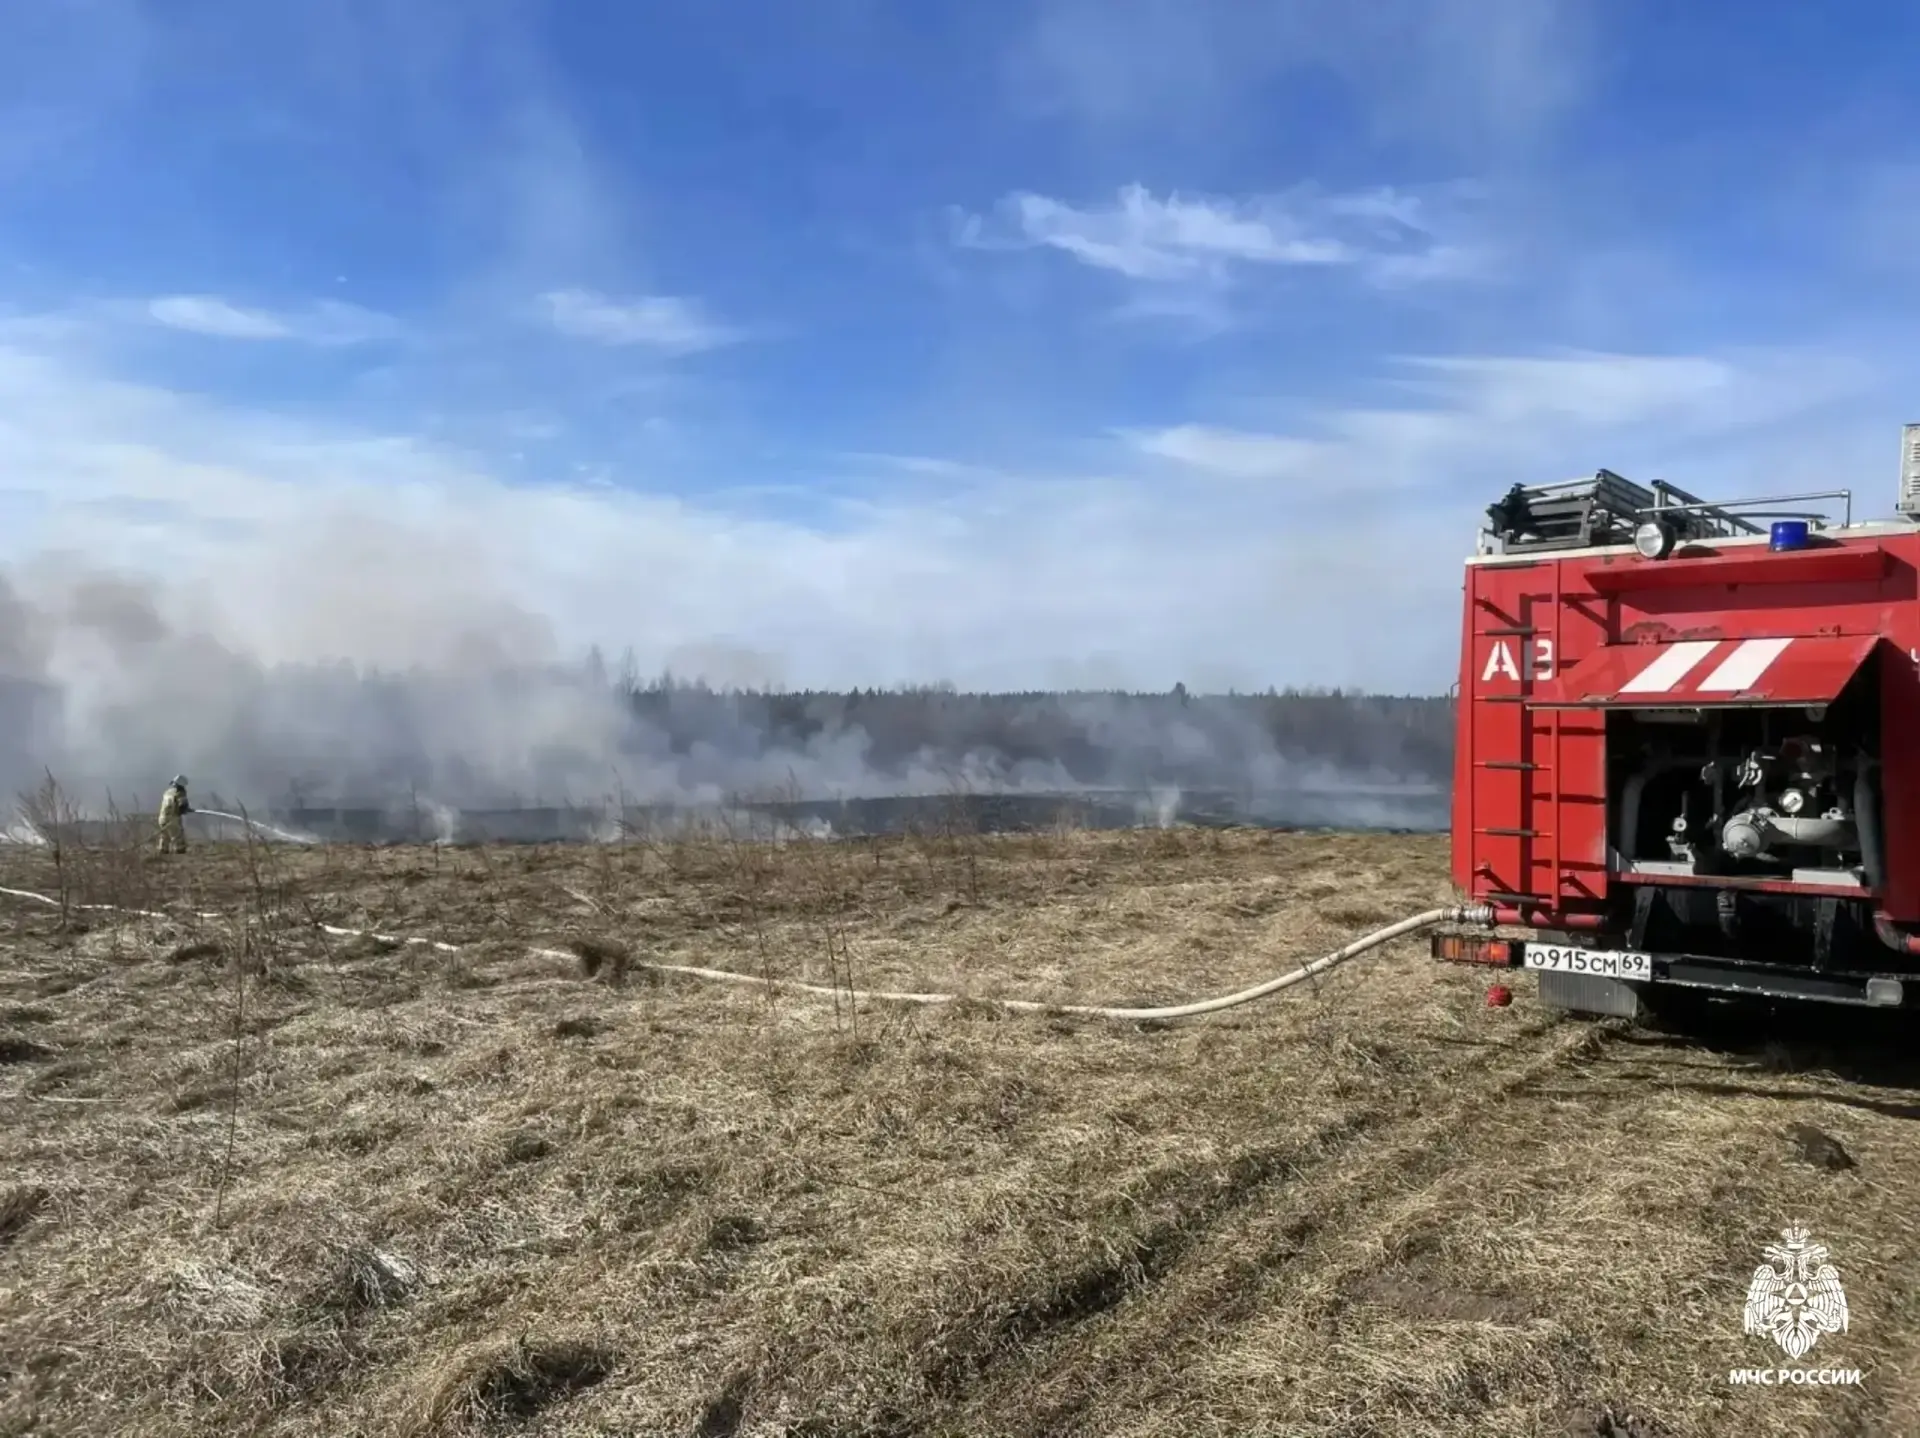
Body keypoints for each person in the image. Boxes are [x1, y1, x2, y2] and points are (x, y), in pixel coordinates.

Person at [156, 776, 191, 854]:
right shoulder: (180, 792)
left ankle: (163, 850)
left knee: (164, 835)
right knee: (177, 835)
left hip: (162, 818)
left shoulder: (167, 792)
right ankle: (180, 851)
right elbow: (182, 805)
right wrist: (185, 809)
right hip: (172, 818)